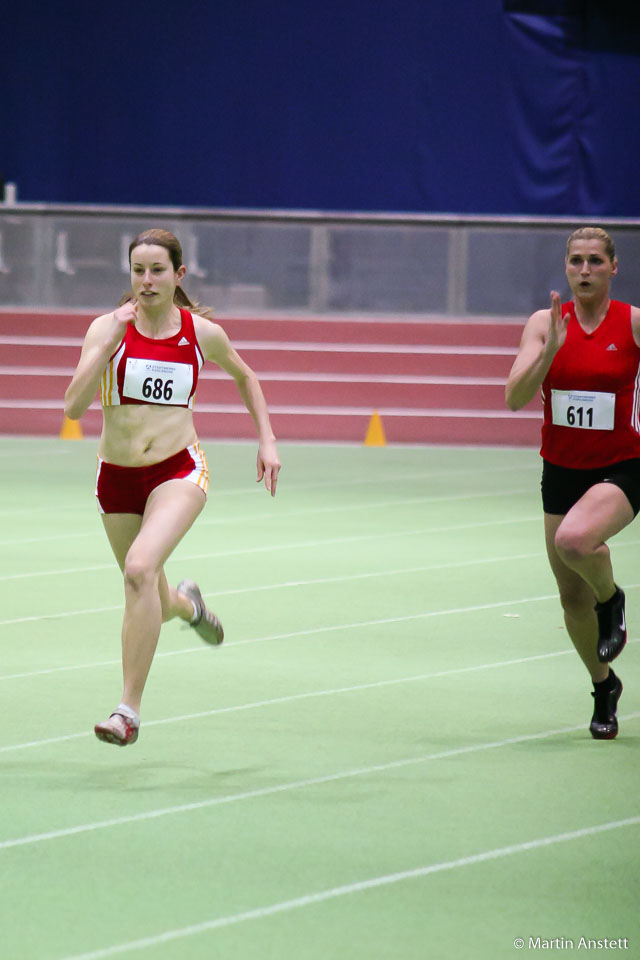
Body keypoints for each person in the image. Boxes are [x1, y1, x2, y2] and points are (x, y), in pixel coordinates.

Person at [64, 228, 281, 746]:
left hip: (177, 471)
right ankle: (188, 605)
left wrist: (267, 441)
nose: (146, 280)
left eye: (157, 270)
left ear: (178, 275)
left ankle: (126, 712)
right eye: (138, 270)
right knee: (152, 596)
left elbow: (246, 377)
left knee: (139, 571)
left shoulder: (200, 333)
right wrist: (108, 345)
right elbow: (72, 406)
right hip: (116, 479)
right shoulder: (105, 329)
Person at [505, 226, 640, 740]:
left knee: (575, 541)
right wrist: (547, 353)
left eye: (594, 262)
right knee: (569, 598)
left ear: (612, 267)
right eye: (576, 261)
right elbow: (513, 399)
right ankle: (603, 686)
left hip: (623, 466)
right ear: (566, 267)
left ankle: (613, 598)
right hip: (561, 469)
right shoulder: (545, 324)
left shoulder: (633, 324)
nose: (584, 270)